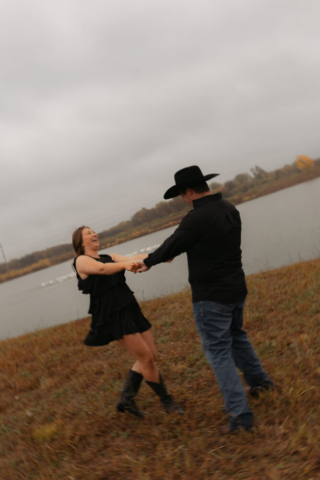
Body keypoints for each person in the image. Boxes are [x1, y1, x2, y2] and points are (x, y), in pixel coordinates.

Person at [136, 166, 273, 433]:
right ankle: (261, 384)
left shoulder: (195, 218)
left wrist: (147, 262)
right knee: (237, 336)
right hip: (236, 287)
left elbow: (175, 242)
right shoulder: (229, 208)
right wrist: (172, 251)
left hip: (211, 297)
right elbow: (200, 243)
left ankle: (240, 416)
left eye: (181, 194)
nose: (182, 200)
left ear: (189, 191)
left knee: (218, 351)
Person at [72, 226, 183, 417]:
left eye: (93, 231)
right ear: (81, 242)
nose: (93, 234)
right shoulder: (81, 260)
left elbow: (135, 258)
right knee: (146, 358)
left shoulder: (111, 256)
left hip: (130, 307)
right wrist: (124, 266)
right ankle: (168, 403)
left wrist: (161, 255)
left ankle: (126, 399)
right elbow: (102, 269)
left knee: (150, 356)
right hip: (113, 315)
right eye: (88, 233)